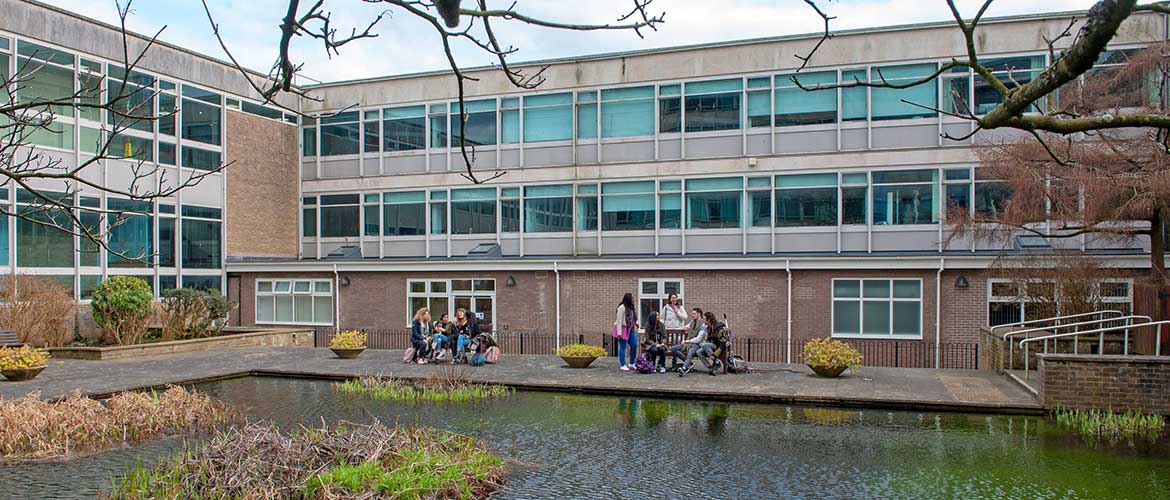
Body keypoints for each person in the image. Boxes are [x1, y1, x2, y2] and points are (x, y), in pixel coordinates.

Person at [676, 308, 716, 377]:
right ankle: (689, 364)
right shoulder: (692, 322)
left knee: (691, 353)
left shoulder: (703, 325)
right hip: (688, 344)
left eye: (694, 314)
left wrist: (686, 341)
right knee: (673, 348)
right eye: (692, 313)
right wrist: (685, 327)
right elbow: (687, 326)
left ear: (699, 314)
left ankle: (684, 368)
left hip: (697, 344)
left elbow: (698, 339)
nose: (692, 315)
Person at [613, 292, 639, 371]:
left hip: (631, 329)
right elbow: (619, 320)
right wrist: (619, 333)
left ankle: (631, 363)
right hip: (623, 329)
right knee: (623, 347)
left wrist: (636, 323)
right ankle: (623, 364)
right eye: (632, 298)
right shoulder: (621, 308)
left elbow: (634, 317)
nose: (633, 300)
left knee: (634, 345)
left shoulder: (632, 307)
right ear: (628, 299)